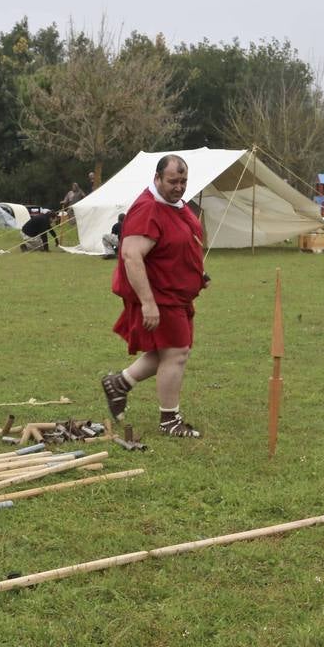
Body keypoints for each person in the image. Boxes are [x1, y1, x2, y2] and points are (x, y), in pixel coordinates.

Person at [100, 155, 208, 438]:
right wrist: (148, 302)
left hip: (177, 293)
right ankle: (169, 419)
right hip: (160, 294)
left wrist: (196, 274)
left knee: (167, 351)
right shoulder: (148, 209)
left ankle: (119, 383)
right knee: (177, 352)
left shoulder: (176, 206)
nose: (179, 187)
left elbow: (179, 244)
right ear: (157, 178)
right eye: (173, 181)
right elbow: (131, 256)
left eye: (183, 181)